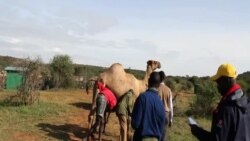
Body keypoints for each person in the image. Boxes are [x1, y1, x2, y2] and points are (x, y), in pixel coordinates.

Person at [190, 63, 250, 141]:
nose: (217, 86)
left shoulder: (227, 108)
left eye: (218, 82)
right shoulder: (246, 101)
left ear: (226, 80)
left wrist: (197, 131)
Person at [131, 72, 166, 141]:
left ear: (148, 82)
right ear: (159, 85)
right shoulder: (161, 104)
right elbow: (162, 128)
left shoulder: (142, 98)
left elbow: (135, 124)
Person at [158, 71, 173, 141]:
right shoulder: (168, 90)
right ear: (164, 79)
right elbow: (171, 106)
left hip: (156, 114)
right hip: (166, 114)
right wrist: (171, 119)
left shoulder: (156, 88)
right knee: (163, 137)